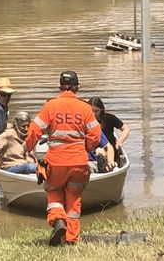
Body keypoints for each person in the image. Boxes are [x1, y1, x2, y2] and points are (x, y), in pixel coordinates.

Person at [24, 71, 101, 246]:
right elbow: (95, 135)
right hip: (79, 161)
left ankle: (58, 220)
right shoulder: (85, 108)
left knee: (53, 190)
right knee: (74, 199)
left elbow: (35, 130)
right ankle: (72, 239)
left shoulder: (50, 106)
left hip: (57, 160)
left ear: (60, 86)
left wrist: (27, 148)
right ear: (77, 87)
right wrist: (86, 148)